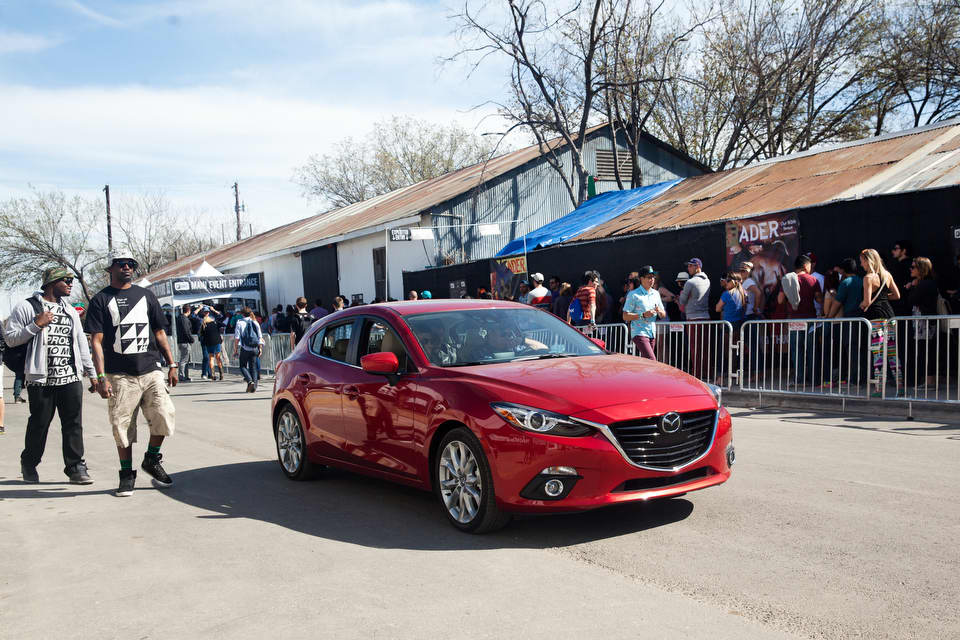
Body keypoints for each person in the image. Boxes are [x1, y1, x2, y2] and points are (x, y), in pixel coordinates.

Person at [86, 253, 179, 497]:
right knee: (122, 426)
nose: (127, 268)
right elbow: (96, 341)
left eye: (131, 264)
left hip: (150, 369)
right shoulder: (100, 300)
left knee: (164, 414)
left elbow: (159, 332)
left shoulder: (146, 296)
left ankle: (151, 459)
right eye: (122, 264)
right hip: (119, 374)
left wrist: (172, 363)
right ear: (111, 268)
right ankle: (126, 474)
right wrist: (101, 377)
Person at [4, 267, 97, 484]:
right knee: (39, 424)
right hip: (41, 379)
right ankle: (29, 463)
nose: (71, 284)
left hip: (70, 377)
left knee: (73, 424)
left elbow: (81, 344)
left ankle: (75, 467)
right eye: (66, 280)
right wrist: (36, 325)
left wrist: (93, 374)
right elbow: (10, 338)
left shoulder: (70, 311)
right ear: (51, 283)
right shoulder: (27, 307)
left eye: (71, 280)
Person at [859, 248, 901, 396]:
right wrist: (883, 297)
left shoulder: (868, 278)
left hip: (876, 317)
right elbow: (897, 295)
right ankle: (900, 386)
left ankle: (878, 388)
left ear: (867, 261)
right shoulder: (887, 275)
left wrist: (861, 304)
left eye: (862, 261)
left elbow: (867, 302)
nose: (861, 264)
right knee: (892, 353)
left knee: (878, 352)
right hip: (890, 316)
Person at [902, 256, 939, 391]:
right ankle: (929, 381)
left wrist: (912, 287)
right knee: (926, 351)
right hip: (925, 322)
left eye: (913, 267)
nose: (910, 269)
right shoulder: (928, 282)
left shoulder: (924, 284)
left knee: (925, 351)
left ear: (921, 269)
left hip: (924, 323)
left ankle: (929, 382)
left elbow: (912, 300)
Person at [622, 268, 665, 360]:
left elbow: (663, 314)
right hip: (639, 332)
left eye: (653, 277)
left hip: (652, 333)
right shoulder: (633, 294)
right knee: (651, 360)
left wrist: (660, 311)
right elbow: (625, 316)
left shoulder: (656, 294)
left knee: (647, 362)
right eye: (649, 277)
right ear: (641, 278)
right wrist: (643, 315)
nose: (652, 279)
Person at [678, 258, 711, 379]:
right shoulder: (707, 280)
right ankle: (706, 373)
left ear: (697, 266)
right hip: (706, 318)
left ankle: (697, 375)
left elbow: (682, 301)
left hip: (693, 319)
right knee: (705, 347)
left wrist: (682, 297)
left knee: (694, 348)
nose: (688, 268)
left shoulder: (690, 282)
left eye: (690, 266)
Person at [234, 307, 263, 392]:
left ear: (242, 314)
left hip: (245, 348)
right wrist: (260, 348)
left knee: (242, 366)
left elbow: (237, 338)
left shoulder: (239, 323)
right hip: (255, 348)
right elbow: (260, 336)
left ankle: (250, 381)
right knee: (253, 367)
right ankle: (254, 387)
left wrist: (235, 349)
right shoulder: (255, 322)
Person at [890, 240, 913, 315]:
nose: (893, 251)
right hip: (901, 301)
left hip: (904, 301)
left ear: (904, 251)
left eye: (896, 249)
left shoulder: (908, 264)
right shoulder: (898, 264)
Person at [200, 313, 224, 380]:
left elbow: (202, 335)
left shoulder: (204, 326)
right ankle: (221, 373)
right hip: (217, 342)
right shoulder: (215, 323)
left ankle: (213, 375)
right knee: (218, 358)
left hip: (209, 343)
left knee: (211, 358)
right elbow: (223, 324)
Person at [175, 304, 194, 381]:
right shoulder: (184, 319)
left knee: (186, 360)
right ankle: (182, 376)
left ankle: (185, 376)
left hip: (181, 341)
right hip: (185, 341)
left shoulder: (179, 318)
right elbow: (186, 331)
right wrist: (191, 339)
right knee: (184, 360)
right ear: (189, 311)